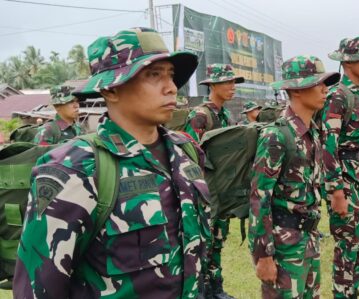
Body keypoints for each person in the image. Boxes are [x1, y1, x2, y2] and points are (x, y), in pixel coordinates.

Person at [13, 27, 211, 298]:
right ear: (111, 89)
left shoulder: (185, 150)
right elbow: (38, 288)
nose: (171, 88)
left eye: (171, 75)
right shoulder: (75, 168)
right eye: (153, 75)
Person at [249, 55, 340, 299]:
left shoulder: (313, 133)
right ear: (296, 90)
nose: (324, 89)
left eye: (325, 83)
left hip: (308, 239)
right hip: (283, 244)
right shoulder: (276, 136)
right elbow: (259, 198)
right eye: (317, 83)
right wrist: (263, 255)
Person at [320, 36, 359, 299]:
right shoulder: (337, 95)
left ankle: (352, 291)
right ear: (347, 62)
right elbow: (327, 145)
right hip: (344, 178)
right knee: (347, 242)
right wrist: (336, 191)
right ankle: (342, 294)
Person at [184, 63, 245, 299]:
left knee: (218, 239)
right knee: (204, 242)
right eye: (227, 82)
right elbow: (190, 155)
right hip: (205, 191)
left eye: (234, 82)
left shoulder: (226, 115)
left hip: (222, 188)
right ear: (213, 85)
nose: (232, 87)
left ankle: (215, 287)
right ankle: (202, 290)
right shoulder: (200, 115)